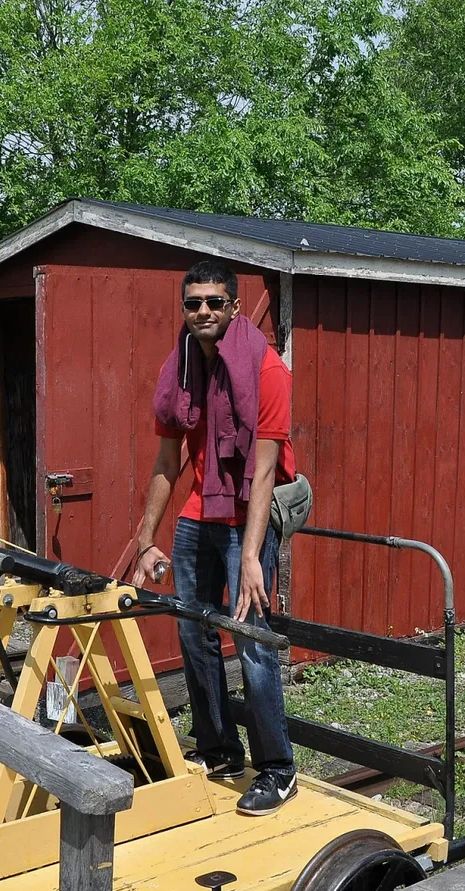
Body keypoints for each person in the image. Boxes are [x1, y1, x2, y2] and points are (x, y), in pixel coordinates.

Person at [132, 260, 298, 815]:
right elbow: (166, 459)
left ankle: (278, 768)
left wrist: (252, 556)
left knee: (251, 639)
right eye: (193, 303)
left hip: (249, 519)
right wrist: (144, 535)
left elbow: (268, 468)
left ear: (232, 305)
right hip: (199, 517)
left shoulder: (267, 369)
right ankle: (220, 748)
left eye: (214, 302)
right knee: (192, 633)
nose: (203, 311)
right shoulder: (180, 370)